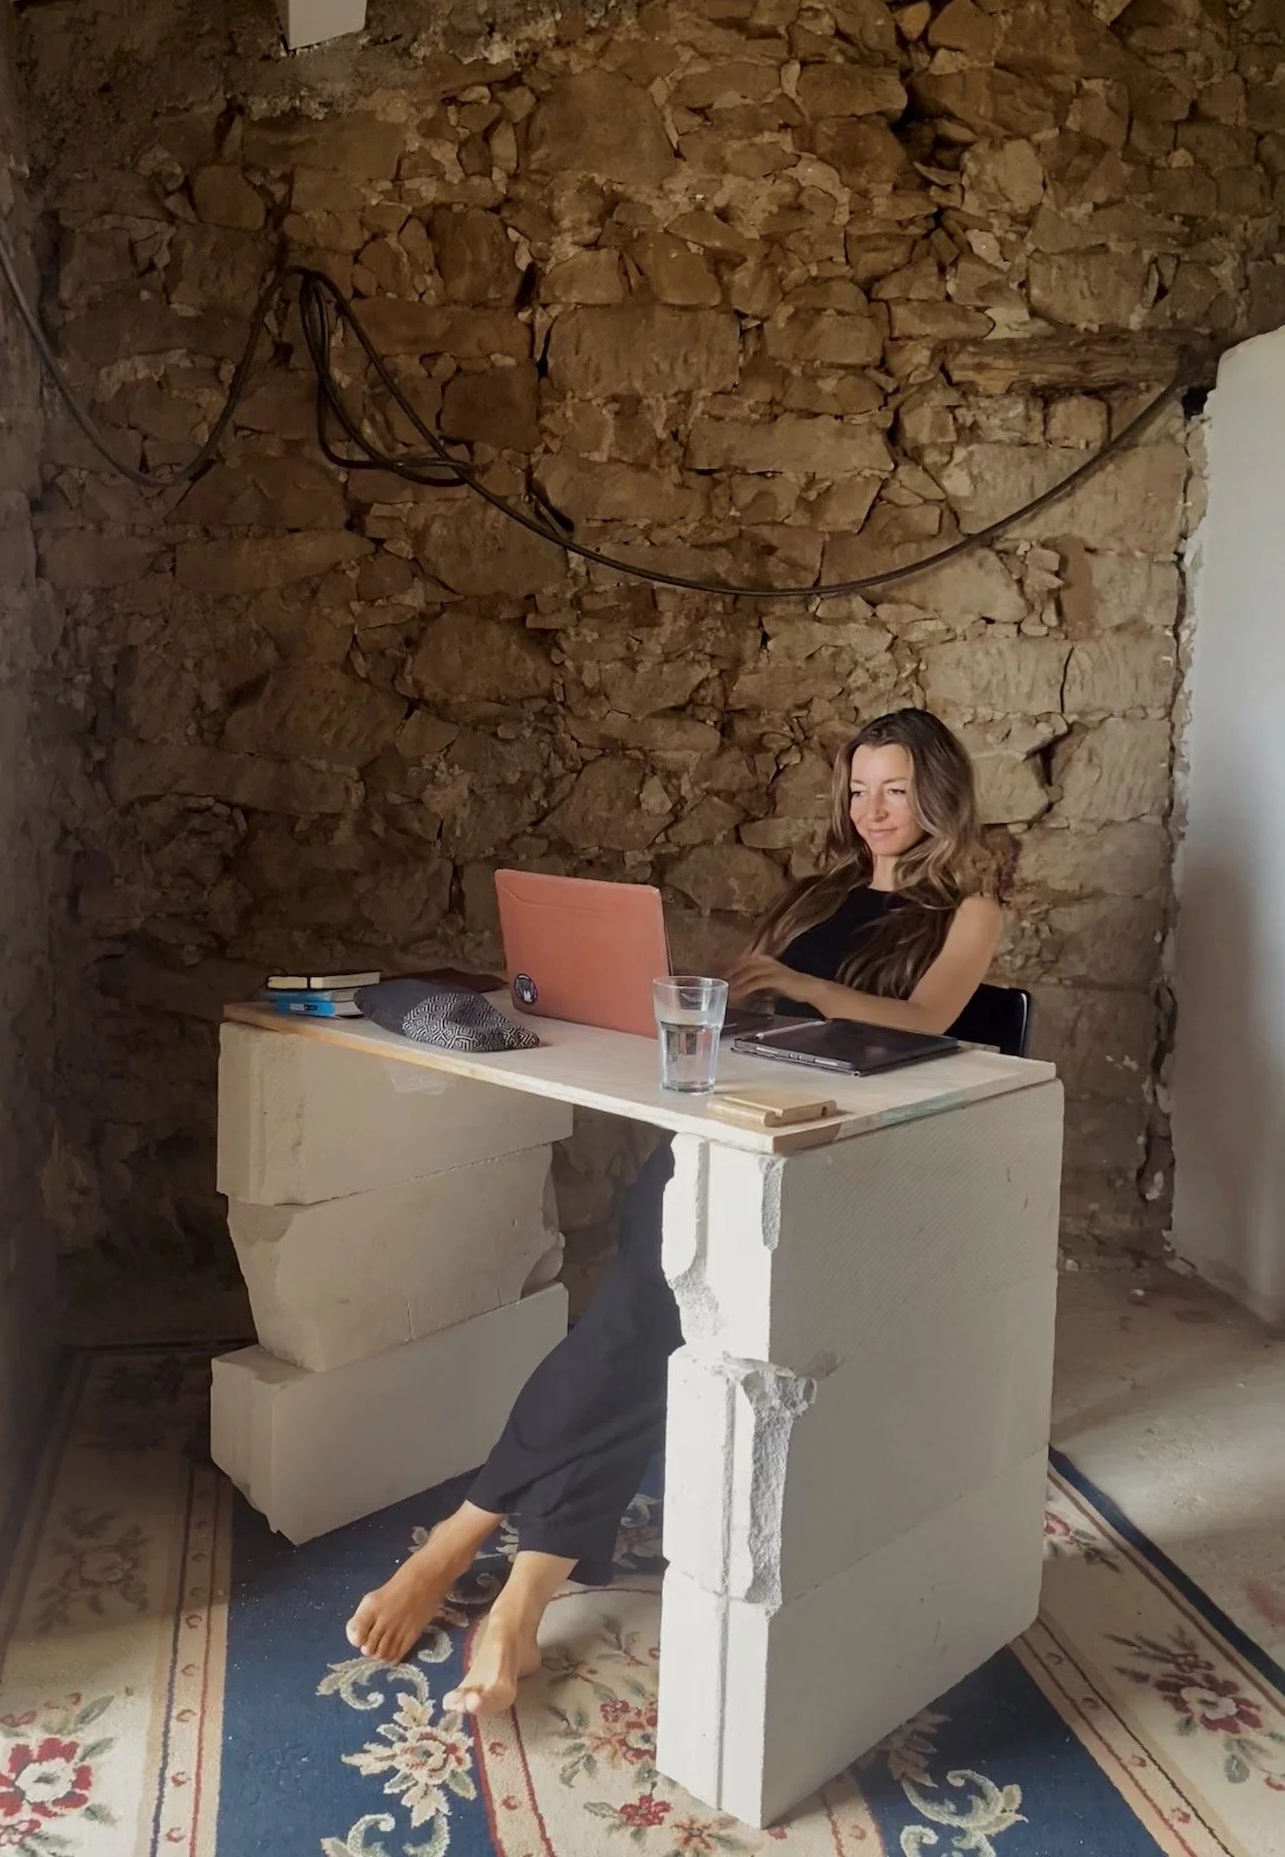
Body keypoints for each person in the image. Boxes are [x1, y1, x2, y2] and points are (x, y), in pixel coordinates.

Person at [345, 707, 1004, 1716]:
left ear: (938, 796)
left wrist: (800, 987)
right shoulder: (818, 893)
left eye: (897, 792)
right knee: (643, 1334)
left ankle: (460, 1540)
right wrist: (728, 999)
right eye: (861, 790)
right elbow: (755, 1001)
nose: (874, 812)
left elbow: (929, 1019)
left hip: (840, 1152)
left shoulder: (970, 905)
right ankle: (522, 1596)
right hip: (733, 1113)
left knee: (628, 1329)